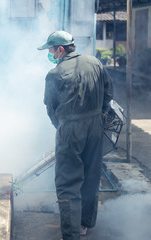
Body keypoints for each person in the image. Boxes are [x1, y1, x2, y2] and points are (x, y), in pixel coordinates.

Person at [37, 31, 113, 239]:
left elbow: (51, 107)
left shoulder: (54, 74)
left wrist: (61, 127)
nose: (50, 54)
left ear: (60, 49)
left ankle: (71, 235)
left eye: (51, 49)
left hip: (70, 130)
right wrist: (100, 115)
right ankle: (84, 224)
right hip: (96, 126)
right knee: (90, 176)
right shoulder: (95, 63)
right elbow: (108, 93)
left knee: (68, 182)